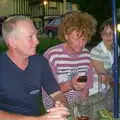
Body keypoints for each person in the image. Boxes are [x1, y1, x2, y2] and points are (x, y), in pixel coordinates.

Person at [0, 15, 69, 120]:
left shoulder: (40, 62)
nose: (37, 41)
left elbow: (57, 94)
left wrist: (60, 105)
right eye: (30, 37)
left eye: (36, 35)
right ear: (12, 42)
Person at [42, 11, 97, 109]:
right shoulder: (52, 56)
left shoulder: (86, 55)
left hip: (79, 106)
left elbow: (87, 86)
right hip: (56, 107)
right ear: (66, 35)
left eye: (84, 39)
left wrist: (82, 105)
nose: (81, 44)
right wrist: (70, 85)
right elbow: (49, 92)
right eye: (76, 38)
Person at [89, 20, 118, 95]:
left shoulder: (117, 49)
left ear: (116, 35)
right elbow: (103, 78)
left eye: (111, 33)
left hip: (108, 88)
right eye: (105, 34)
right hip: (96, 91)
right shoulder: (96, 51)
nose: (108, 36)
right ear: (101, 35)